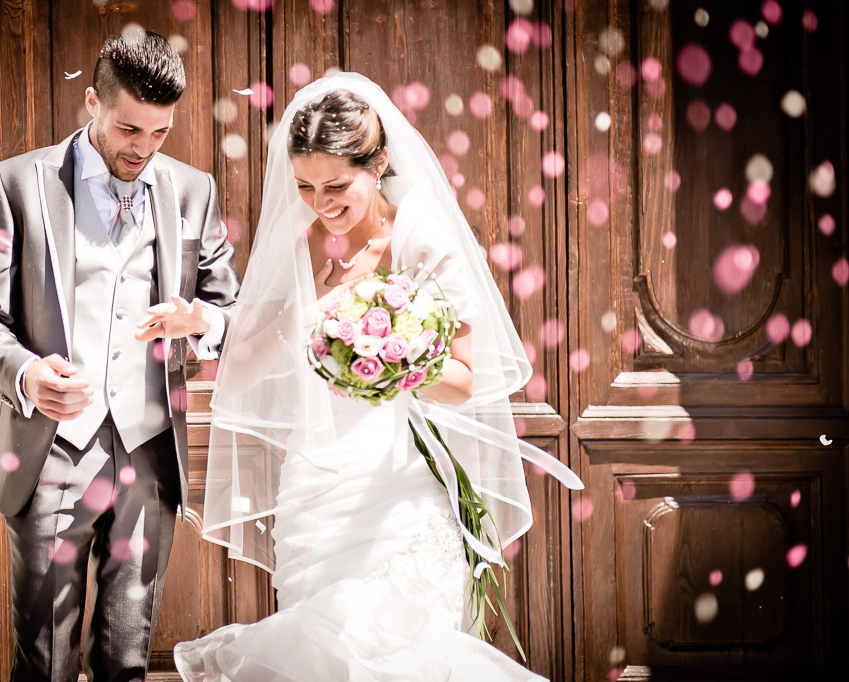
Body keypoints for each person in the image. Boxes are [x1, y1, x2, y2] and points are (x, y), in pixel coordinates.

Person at [173, 73, 576, 681]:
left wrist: (398, 366)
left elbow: (464, 381)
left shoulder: (421, 239)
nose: (321, 202)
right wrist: (224, 320)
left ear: (379, 162)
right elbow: (247, 367)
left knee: (390, 648)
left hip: (399, 488)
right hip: (313, 492)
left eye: (337, 186)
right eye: (305, 186)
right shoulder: (306, 243)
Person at [0, 31, 240, 681]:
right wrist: (27, 373)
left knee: (127, 654)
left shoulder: (193, 192)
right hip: (52, 448)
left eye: (160, 133)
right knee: (44, 659)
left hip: (148, 447)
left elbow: (233, 310)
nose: (142, 148)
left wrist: (198, 319)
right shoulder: (17, 184)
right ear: (92, 102)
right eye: (128, 128)